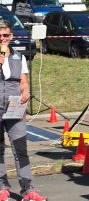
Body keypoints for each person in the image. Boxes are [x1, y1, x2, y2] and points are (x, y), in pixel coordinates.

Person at [0, 20, 47, 201]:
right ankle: (2, 187)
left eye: (6, 35)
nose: (2, 39)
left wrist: (26, 91)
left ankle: (28, 190)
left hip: (14, 108)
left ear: (11, 37)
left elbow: (23, 81)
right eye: (0, 36)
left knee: (20, 149)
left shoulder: (19, 57)